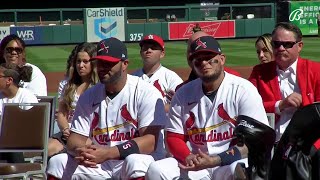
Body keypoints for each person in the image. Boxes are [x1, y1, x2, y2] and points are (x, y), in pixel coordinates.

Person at [145, 36, 269, 179]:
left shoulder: (243, 89)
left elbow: (254, 141)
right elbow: (173, 136)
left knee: (241, 168)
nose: (204, 63)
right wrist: (188, 156)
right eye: (198, 59)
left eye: (209, 57)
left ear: (222, 59)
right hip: (196, 164)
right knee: (157, 169)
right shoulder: (183, 93)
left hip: (229, 162)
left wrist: (216, 160)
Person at [46, 37, 167, 180]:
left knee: (135, 162)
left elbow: (149, 142)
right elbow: (74, 140)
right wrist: (83, 151)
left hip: (135, 160)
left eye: (109, 63)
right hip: (100, 164)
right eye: (100, 62)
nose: (103, 67)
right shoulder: (89, 96)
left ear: (124, 64)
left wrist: (109, 153)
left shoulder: (145, 92)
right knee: (57, 162)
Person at [248, 22, 320, 141]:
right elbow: (248, 106)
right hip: (272, 142)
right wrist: (280, 105)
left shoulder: (316, 71)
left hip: (307, 144)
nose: (281, 48)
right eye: (276, 44)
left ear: (300, 46)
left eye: (287, 44)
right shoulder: (259, 72)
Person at [48, 42, 99, 157]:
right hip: (68, 132)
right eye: (78, 61)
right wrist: (66, 129)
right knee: (48, 149)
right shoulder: (66, 84)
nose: (81, 65)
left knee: (81, 150)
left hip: (90, 134)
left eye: (85, 61)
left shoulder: (100, 85)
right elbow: (61, 113)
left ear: (94, 63)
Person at [132, 34, 183, 112]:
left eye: (153, 48)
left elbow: (182, 106)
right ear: (141, 52)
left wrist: (148, 108)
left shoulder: (171, 78)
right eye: (145, 48)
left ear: (162, 54)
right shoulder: (133, 78)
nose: (148, 51)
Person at [176, 31, 241, 90]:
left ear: (222, 59)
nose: (203, 62)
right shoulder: (182, 90)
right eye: (190, 50)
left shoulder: (235, 80)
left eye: (207, 56)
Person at [0, 63, 38, 163]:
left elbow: (30, 127)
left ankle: (19, 174)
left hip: (22, 143)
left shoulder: (27, 97)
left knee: (12, 145)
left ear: (9, 80)